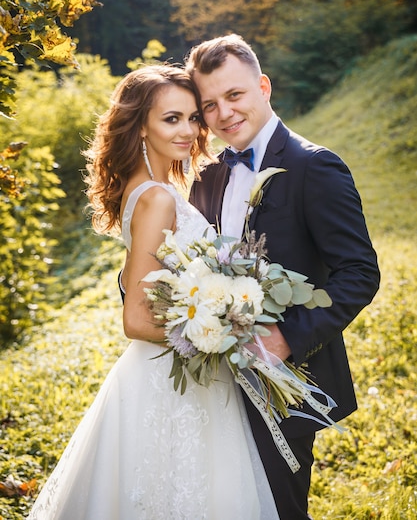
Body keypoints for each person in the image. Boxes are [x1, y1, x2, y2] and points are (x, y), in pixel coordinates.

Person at [27, 64, 279, 520]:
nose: (188, 130)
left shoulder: (154, 189)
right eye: (171, 119)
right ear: (141, 124)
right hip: (171, 381)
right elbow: (136, 318)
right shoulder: (157, 198)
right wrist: (221, 338)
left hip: (180, 372)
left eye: (192, 118)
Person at [185, 34, 380, 520]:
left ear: (263, 87)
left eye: (234, 95)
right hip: (216, 378)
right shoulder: (210, 174)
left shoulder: (314, 167)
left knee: (279, 506)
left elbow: (359, 273)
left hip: (286, 380)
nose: (224, 113)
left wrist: (286, 339)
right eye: (209, 104)